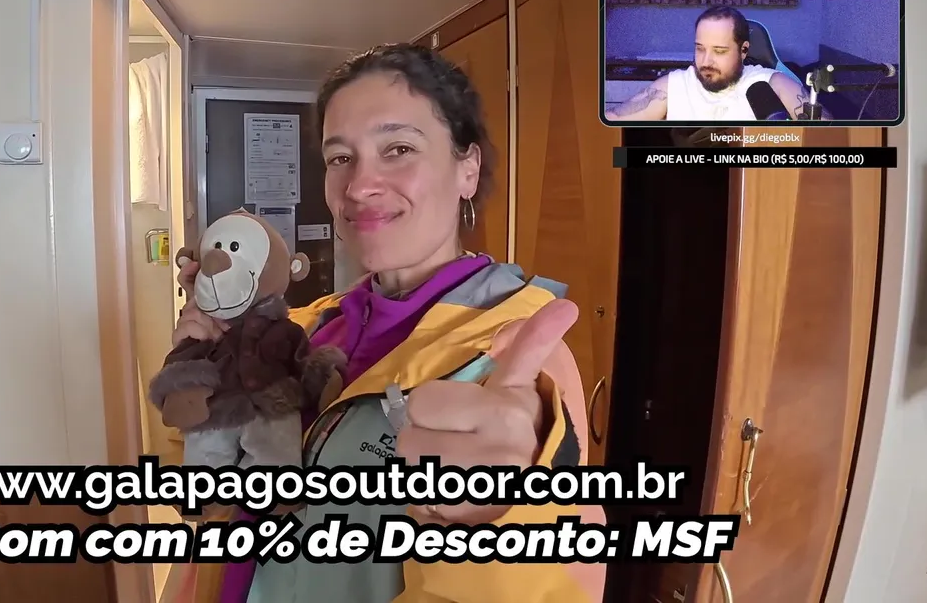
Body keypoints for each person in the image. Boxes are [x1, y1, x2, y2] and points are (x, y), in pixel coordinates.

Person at [169, 43, 605, 603]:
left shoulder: (513, 357)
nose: (358, 186)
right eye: (340, 158)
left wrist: (504, 516)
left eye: (398, 148)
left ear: (467, 169)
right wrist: (207, 375)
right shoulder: (311, 325)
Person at [605, 5, 829, 122]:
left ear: (743, 50)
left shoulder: (771, 83)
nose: (706, 61)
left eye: (719, 51)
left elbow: (829, 134)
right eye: (700, 48)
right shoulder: (673, 86)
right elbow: (610, 123)